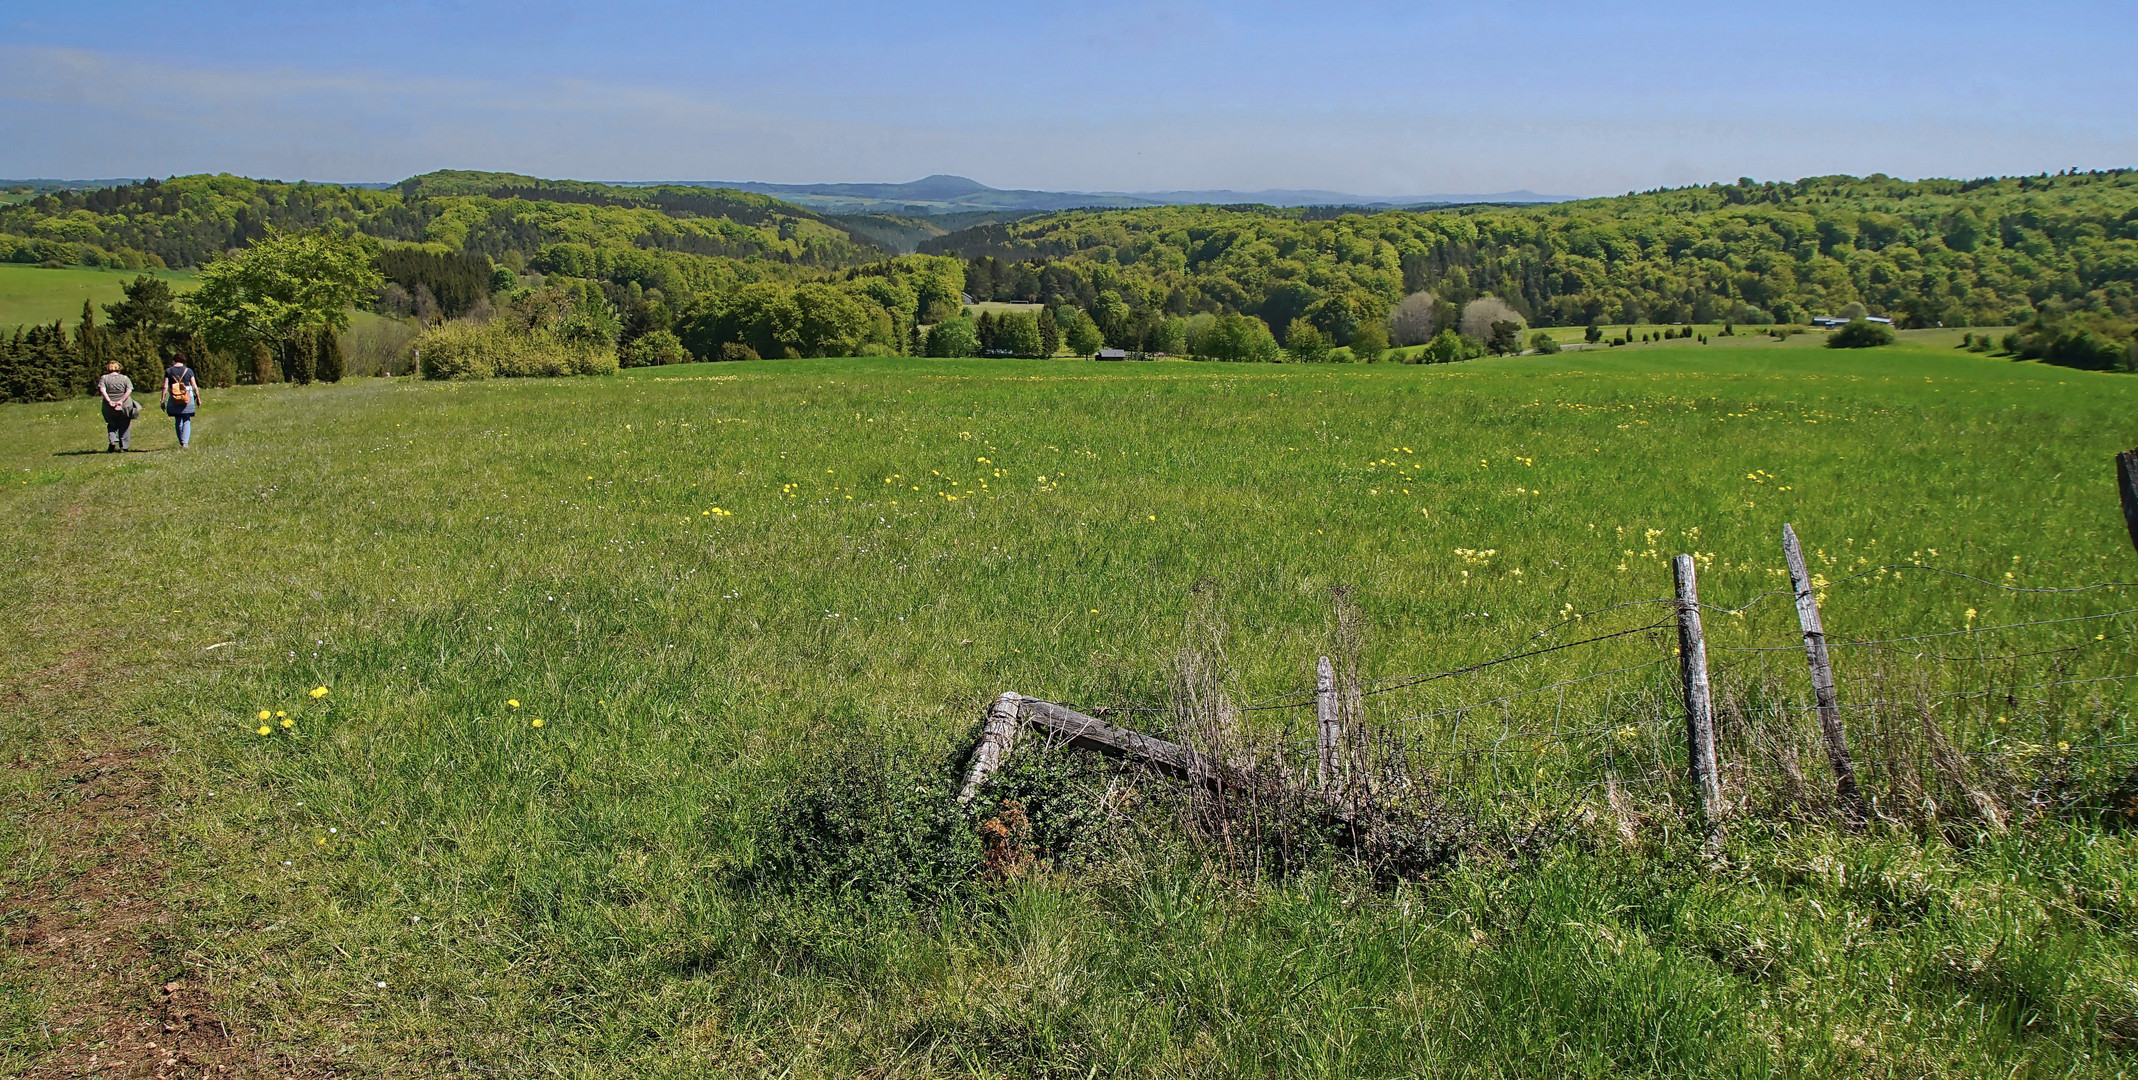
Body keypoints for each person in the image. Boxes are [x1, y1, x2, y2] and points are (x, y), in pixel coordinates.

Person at [164, 353, 201, 449]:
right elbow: (194, 386)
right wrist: (198, 398)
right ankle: (185, 442)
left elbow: (165, 386)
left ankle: (181, 440)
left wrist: (162, 400)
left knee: (178, 419)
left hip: (174, 396)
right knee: (186, 418)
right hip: (187, 396)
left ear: (174, 360)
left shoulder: (168, 371)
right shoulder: (188, 371)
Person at [97, 360, 135, 452]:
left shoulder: (104, 378)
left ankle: (113, 440)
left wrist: (109, 401)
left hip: (109, 405)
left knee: (111, 424)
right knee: (124, 424)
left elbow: (102, 390)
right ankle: (124, 447)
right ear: (118, 368)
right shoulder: (125, 378)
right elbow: (129, 390)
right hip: (124, 404)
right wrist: (121, 401)